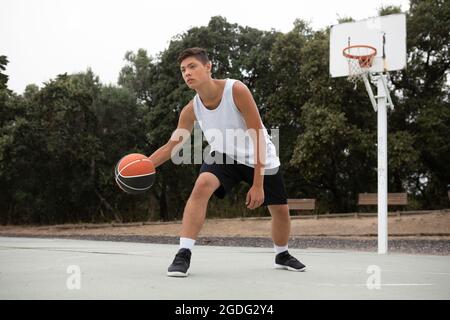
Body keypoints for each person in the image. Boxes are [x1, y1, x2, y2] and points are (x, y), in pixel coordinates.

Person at [148, 47, 306, 277]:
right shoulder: (191, 109)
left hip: (259, 156)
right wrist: (144, 166)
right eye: (183, 70)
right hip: (224, 155)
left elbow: (258, 135)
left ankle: (282, 253)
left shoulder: (236, 90)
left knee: (280, 211)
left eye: (192, 66)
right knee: (201, 186)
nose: (187, 73)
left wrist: (258, 184)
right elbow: (172, 146)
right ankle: (183, 253)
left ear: (208, 67)